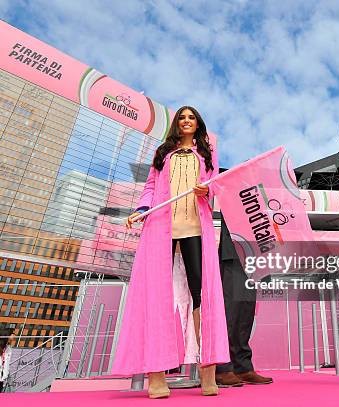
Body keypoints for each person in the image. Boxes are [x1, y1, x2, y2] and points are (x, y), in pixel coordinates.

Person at [112, 106, 229, 398]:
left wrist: (207, 192)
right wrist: (141, 210)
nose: (186, 121)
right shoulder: (163, 155)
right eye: (182, 117)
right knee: (157, 297)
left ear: (197, 124)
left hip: (195, 231)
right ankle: (156, 376)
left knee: (201, 296)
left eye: (191, 117)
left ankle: (208, 369)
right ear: (176, 124)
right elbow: (151, 188)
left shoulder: (207, 156)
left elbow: (214, 187)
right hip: (160, 229)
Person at [215, 212, 273, 386]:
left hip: (256, 240)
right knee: (231, 310)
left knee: (246, 309)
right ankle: (222, 367)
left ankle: (242, 366)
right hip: (234, 241)